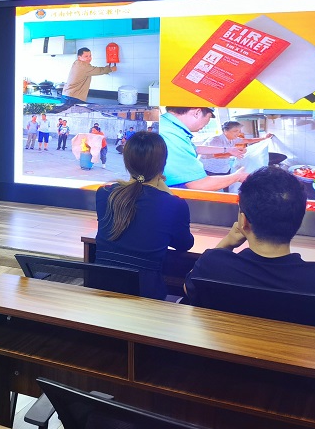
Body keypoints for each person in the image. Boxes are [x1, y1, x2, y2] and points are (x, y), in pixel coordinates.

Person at [184, 167, 315, 336]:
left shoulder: (213, 264)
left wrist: (228, 242)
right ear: (299, 219)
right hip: (313, 377)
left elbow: (189, 287)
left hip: (227, 371)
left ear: (243, 220)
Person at [95, 132, 193, 299]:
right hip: (146, 296)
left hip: (101, 290)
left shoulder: (105, 193)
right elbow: (185, 244)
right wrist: (167, 191)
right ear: (163, 163)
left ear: (127, 161)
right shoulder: (174, 204)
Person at [159, 107, 246, 190]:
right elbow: (198, 184)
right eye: (209, 117)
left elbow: (196, 149)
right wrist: (238, 176)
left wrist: (228, 149)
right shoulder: (171, 134)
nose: (207, 123)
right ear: (197, 113)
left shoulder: (168, 125)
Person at [200, 121, 274, 177]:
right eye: (235, 131)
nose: (238, 134)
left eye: (239, 131)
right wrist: (236, 152)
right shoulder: (216, 140)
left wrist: (264, 138)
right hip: (210, 169)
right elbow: (217, 155)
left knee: (226, 187)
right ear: (225, 131)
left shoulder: (233, 139)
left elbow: (248, 140)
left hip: (224, 168)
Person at [58, 47, 116, 112]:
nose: (89, 58)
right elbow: (98, 70)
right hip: (73, 98)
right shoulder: (83, 66)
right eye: (86, 56)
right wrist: (110, 69)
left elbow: (93, 70)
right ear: (79, 57)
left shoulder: (77, 63)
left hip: (68, 96)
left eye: (90, 56)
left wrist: (106, 69)